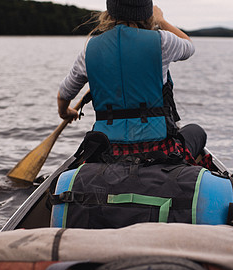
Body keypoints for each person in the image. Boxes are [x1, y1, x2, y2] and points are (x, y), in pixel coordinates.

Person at [57, 0, 207, 165]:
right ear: (146, 13)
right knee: (196, 131)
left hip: (109, 148)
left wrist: (65, 112)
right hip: (156, 148)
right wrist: (162, 21)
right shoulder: (162, 41)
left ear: (110, 12)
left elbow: (64, 93)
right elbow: (189, 47)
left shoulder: (89, 50)